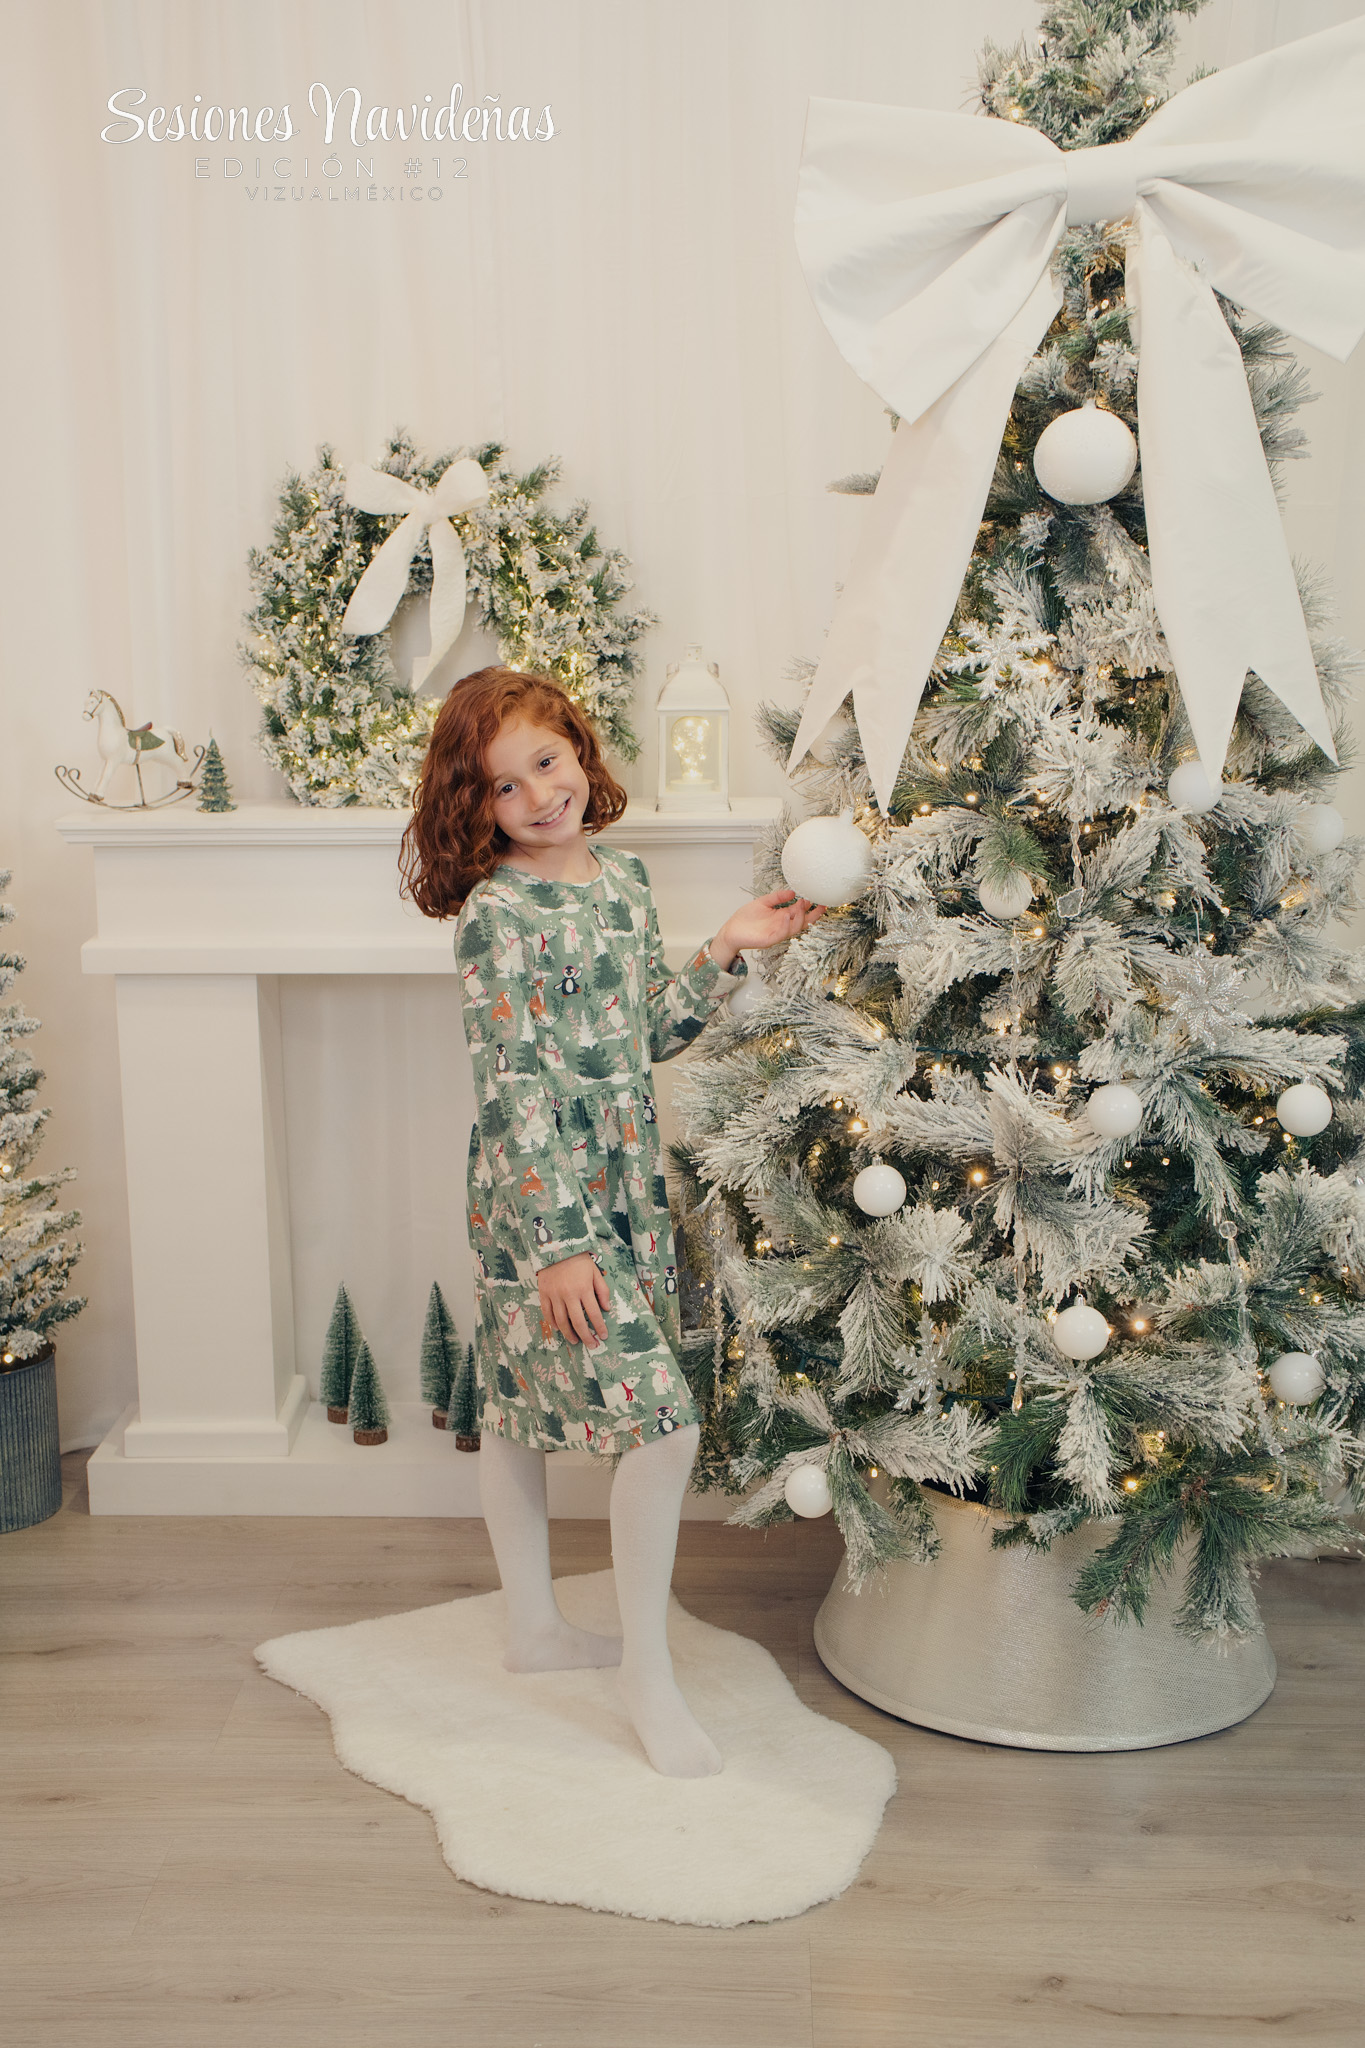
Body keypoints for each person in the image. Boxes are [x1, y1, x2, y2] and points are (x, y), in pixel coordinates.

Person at [399, 665, 819, 1777]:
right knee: (635, 1420)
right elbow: (513, 1085)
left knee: (522, 1406)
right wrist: (558, 1244)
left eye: (548, 760)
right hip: (543, 1207)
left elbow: (647, 1034)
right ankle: (642, 1667)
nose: (539, 794)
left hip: (624, 1190)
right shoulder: (495, 914)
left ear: (581, 752)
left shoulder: (622, 883)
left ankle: (539, 1628)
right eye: (503, 785)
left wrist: (727, 947)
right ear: (472, 808)